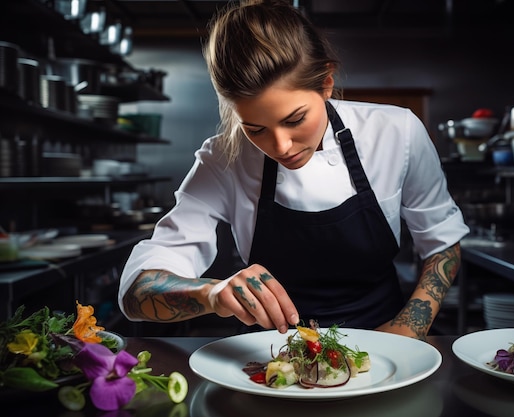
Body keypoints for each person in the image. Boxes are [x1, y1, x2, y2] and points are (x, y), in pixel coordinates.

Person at [118, 0, 469, 341]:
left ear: (326, 84)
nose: (281, 146)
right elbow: (138, 290)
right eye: (255, 129)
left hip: (383, 339)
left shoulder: (396, 132)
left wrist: (409, 328)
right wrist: (211, 293)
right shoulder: (223, 159)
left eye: (295, 119)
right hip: (268, 357)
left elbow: (442, 241)